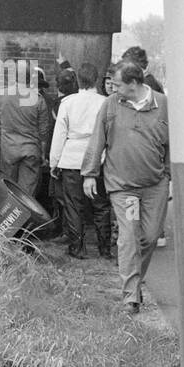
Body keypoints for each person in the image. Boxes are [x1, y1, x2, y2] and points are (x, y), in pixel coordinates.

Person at [81, 61, 169, 314]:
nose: (113, 88)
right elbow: (98, 137)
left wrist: (169, 174)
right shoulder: (111, 105)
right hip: (123, 187)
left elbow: (174, 143)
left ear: (133, 84)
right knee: (129, 236)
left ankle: (135, 281)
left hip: (154, 185)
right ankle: (131, 296)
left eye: (118, 84)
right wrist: (89, 174)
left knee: (150, 237)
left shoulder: (163, 105)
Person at [50, 63, 113, 259]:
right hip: (98, 158)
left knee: (73, 206)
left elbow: (59, 134)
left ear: (78, 80)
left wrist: (54, 161)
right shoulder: (105, 103)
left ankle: (77, 247)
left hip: (72, 158)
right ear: (96, 79)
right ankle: (104, 249)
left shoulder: (68, 103)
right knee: (101, 205)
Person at [0, 59, 52, 199]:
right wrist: (43, 155)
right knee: (27, 196)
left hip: (9, 151)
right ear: (30, 77)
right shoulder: (38, 100)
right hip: (31, 151)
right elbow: (44, 132)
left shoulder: (2, 94)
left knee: (9, 192)